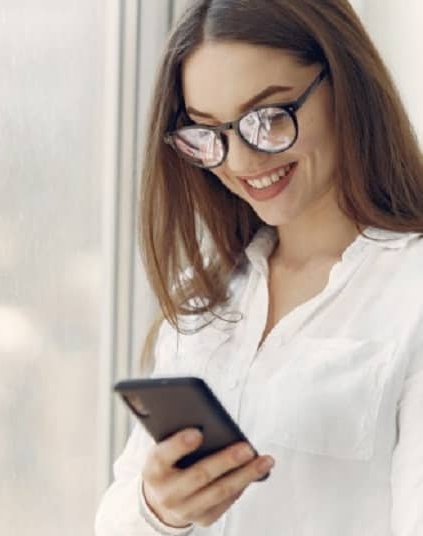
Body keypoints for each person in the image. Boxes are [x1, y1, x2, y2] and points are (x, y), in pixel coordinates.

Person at [95, 1, 423, 534]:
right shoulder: (205, 298)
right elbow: (116, 515)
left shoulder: (411, 293)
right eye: (208, 133)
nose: (242, 161)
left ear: (345, 84)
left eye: (269, 118)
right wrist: (156, 510)